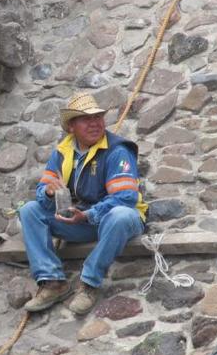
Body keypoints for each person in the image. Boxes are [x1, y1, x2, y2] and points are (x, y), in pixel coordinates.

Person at [20, 93, 147, 315]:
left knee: (121, 215)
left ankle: (89, 283)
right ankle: (52, 282)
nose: (95, 123)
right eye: (86, 119)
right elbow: (43, 190)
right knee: (29, 210)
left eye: (98, 117)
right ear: (71, 127)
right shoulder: (62, 152)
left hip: (117, 222)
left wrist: (88, 215)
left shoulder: (118, 151)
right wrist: (49, 194)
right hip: (85, 220)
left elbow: (126, 198)